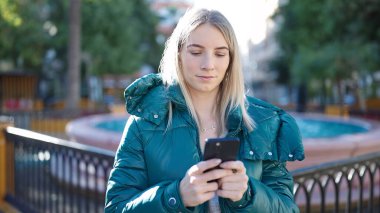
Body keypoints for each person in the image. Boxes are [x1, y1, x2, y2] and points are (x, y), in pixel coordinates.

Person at [105, 7, 304, 213]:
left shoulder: (265, 123)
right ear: (179, 54)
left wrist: (248, 195)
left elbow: (289, 209)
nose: (208, 64)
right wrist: (175, 196)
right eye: (196, 52)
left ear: (231, 60)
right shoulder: (144, 122)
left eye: (220, 54)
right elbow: (115, 209)